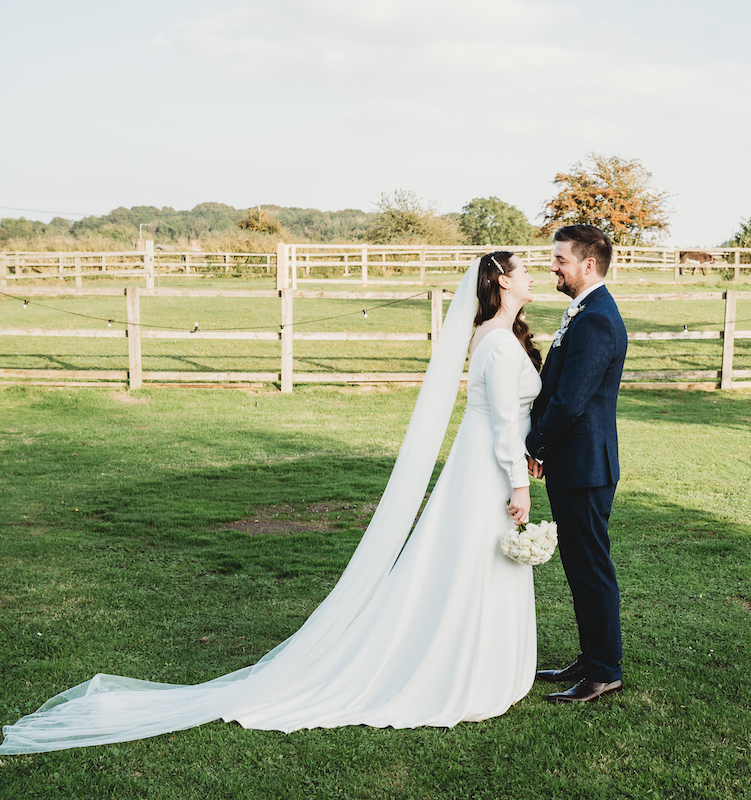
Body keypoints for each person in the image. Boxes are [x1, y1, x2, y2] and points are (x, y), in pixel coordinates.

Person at [0, 253, 542, 753]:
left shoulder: (496, 336)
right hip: (488, 470)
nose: (532, 275)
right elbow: (500, 422)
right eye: (524, 270)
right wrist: (519, 481)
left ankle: (481, 661)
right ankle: (464, 668)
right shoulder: (495, 341)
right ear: (500, 281)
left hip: (493, 464)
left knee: (482, 560)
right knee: (477, 558)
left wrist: (529, 454)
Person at [526, 225, 628, 703]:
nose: (553, 267)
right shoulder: (585, 311)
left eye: (560, 259)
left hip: (586, 465)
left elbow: (570, 400)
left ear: (588, 264)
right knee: (581, 566)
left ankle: (604, 671)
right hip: (577, 463)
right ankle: (591, 658)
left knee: (590, 569)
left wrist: (536, 445)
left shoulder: (597, 319)